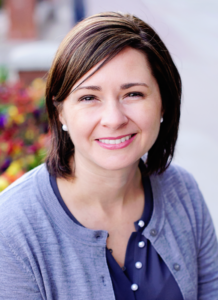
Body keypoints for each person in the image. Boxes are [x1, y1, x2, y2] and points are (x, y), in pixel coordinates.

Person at [0, 12, 217, 300]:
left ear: (163, 102)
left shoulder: (183, 192)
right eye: (89, 97)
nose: (114, 119)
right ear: (60, 111)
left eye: (133, 94)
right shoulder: (13, 229)